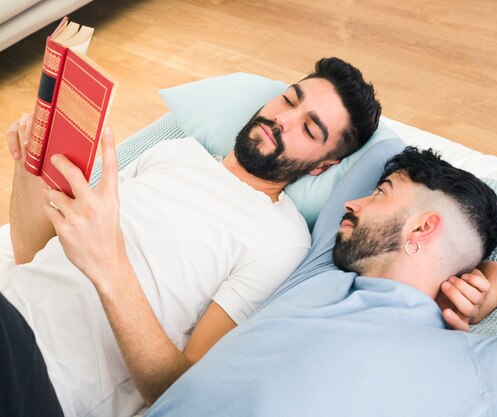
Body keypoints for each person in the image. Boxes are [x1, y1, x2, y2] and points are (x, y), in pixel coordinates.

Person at [0, 57, 390, 417]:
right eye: (288, 100)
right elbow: (31, 254)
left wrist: (110, 267)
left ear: (323, 166)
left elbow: (182, 391)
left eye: (308, 128)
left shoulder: (281, 241)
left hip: (46, 380)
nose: (283, 120)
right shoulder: (176, 152)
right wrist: (29, 164)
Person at [144, 142, 497, 417]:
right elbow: (386, 146)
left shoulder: (477, 371)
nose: (352, 203)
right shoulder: (319, 273)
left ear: (421, 229)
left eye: (381, 194)